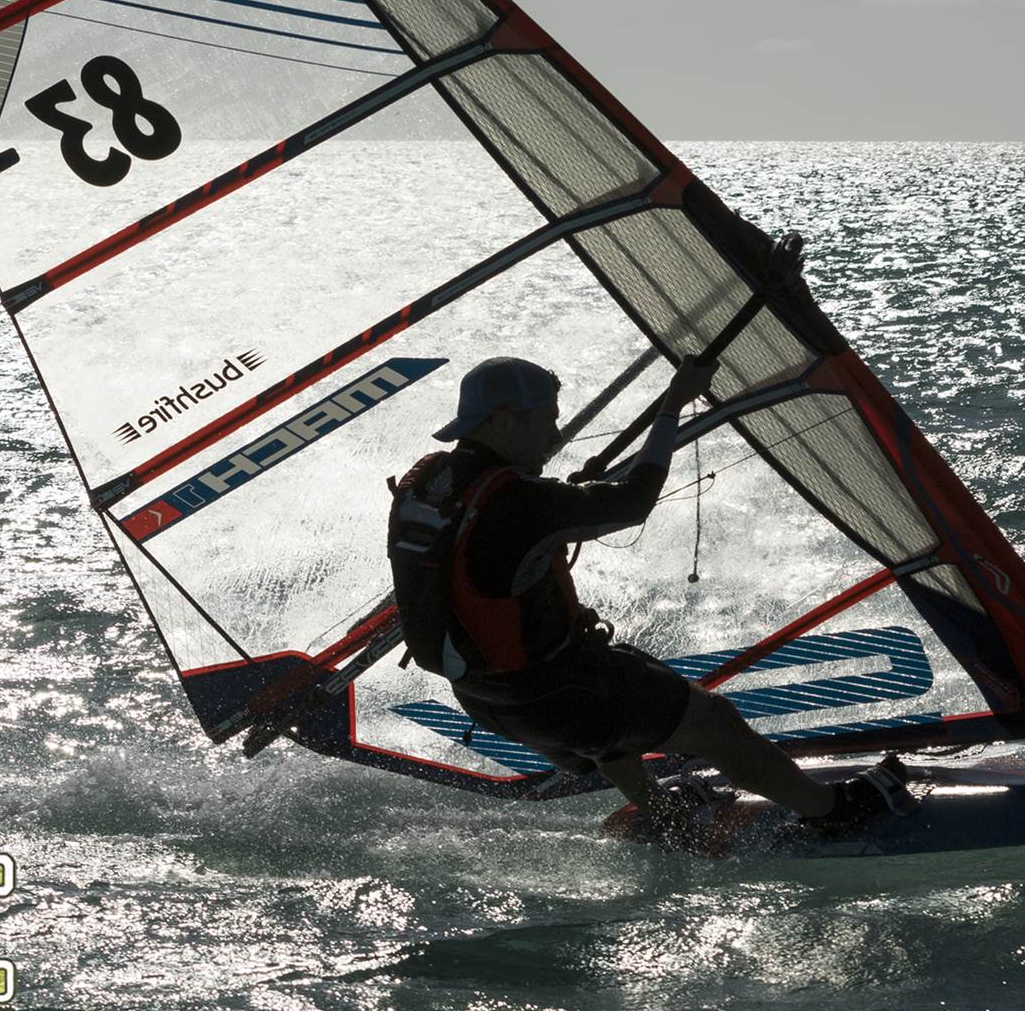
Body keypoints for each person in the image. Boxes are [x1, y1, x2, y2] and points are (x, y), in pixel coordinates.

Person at [390, 353, 915, 836]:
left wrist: (562, 521)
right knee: (710, 719)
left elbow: (483, 563)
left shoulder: (429, 483)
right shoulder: (523, 499)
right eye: (546, 419)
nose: (554, 434)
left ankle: (665, 813)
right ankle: (831, 812)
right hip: (548, 696)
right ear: (504, 420)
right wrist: (672, 405)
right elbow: (633, 501)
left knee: (614, 695)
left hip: (483, 696)